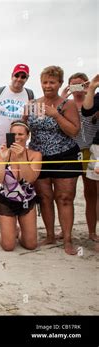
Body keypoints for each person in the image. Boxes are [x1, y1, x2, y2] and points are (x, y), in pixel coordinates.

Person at [24, 66, 81, 255]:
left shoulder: (67, 104)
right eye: (45, 82)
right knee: (45, 198)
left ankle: (67, 239)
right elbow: (23, 129)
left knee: (64, 199)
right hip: (39, 157)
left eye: (52, 82)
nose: (48, 86)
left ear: (60, 84)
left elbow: (74, 131)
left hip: (65, 155)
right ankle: (49, 235)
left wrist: (56, 115)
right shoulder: (32, 104)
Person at [0, 64, 35, 228]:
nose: (19, 79)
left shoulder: (29, 94)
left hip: (17, 141)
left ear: (27, 79)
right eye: (17, 75)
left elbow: (28, 119)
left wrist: (26, 139)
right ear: (12, 75)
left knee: (18, 176)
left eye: (23, 77)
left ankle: (20, 209)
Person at [0, 121, 41, 251]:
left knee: (31, 245)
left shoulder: (35, 155)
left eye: (21, 134)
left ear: (27, 135)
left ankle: (18, 232)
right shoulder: (0, 154)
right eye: (14, 134)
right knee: (8, 246)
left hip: (27, 201)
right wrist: (2, 160)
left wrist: (21, 158)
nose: (17, 137)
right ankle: (7, 234)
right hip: (7, 201)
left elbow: (30, 179)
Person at [62, 73, 98, 242]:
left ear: (86, 84)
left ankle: (91, 232)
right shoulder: (66, 104)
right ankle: (65, 231)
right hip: (71, 150)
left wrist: (90, 89)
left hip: (90, 150)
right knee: (67, 193)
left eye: (81, 84)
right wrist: (62, 97)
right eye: (73, 85)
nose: (78, 88)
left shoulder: (93, 101)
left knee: (90, 194)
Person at [81, 73, 99, 247]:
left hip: (93, 148)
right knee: (94, 194)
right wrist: (92, 87)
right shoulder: (97, 96)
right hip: (97, 148)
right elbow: (87, 111)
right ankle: (94, 232)